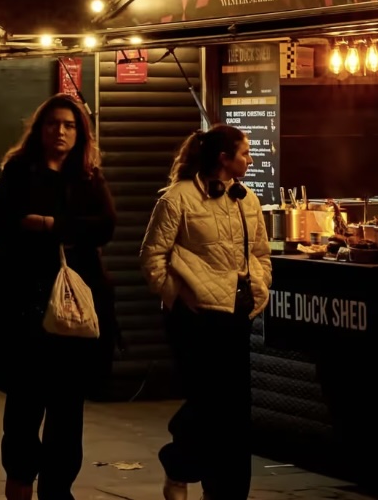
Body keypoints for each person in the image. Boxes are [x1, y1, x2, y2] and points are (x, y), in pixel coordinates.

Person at [0, 95, 116, 500]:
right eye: (54, 124)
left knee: (68, 409)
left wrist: (49, 224)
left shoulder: (89, 176)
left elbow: (105, 226)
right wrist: (69, 231)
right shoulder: (19, 172)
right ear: (40, 129)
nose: (61, 131)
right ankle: (20, 478)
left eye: (70, 125)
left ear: (81, 132)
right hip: (24, 306)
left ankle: (58, 489)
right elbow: (0, 228)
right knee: (24, 405)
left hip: (74, 309)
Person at [141, 125, 271, 500]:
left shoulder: (245, 199)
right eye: (244, 153)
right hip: (194, 317)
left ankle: (227, 491)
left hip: (237, 313)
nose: (250, 159)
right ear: (223, 158)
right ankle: (179, 463)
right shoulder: (177, 199)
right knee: (208, 401)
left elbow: (260, 252)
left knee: (235, 410)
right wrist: (178, 296)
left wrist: (260, 284)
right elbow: (152, 257)